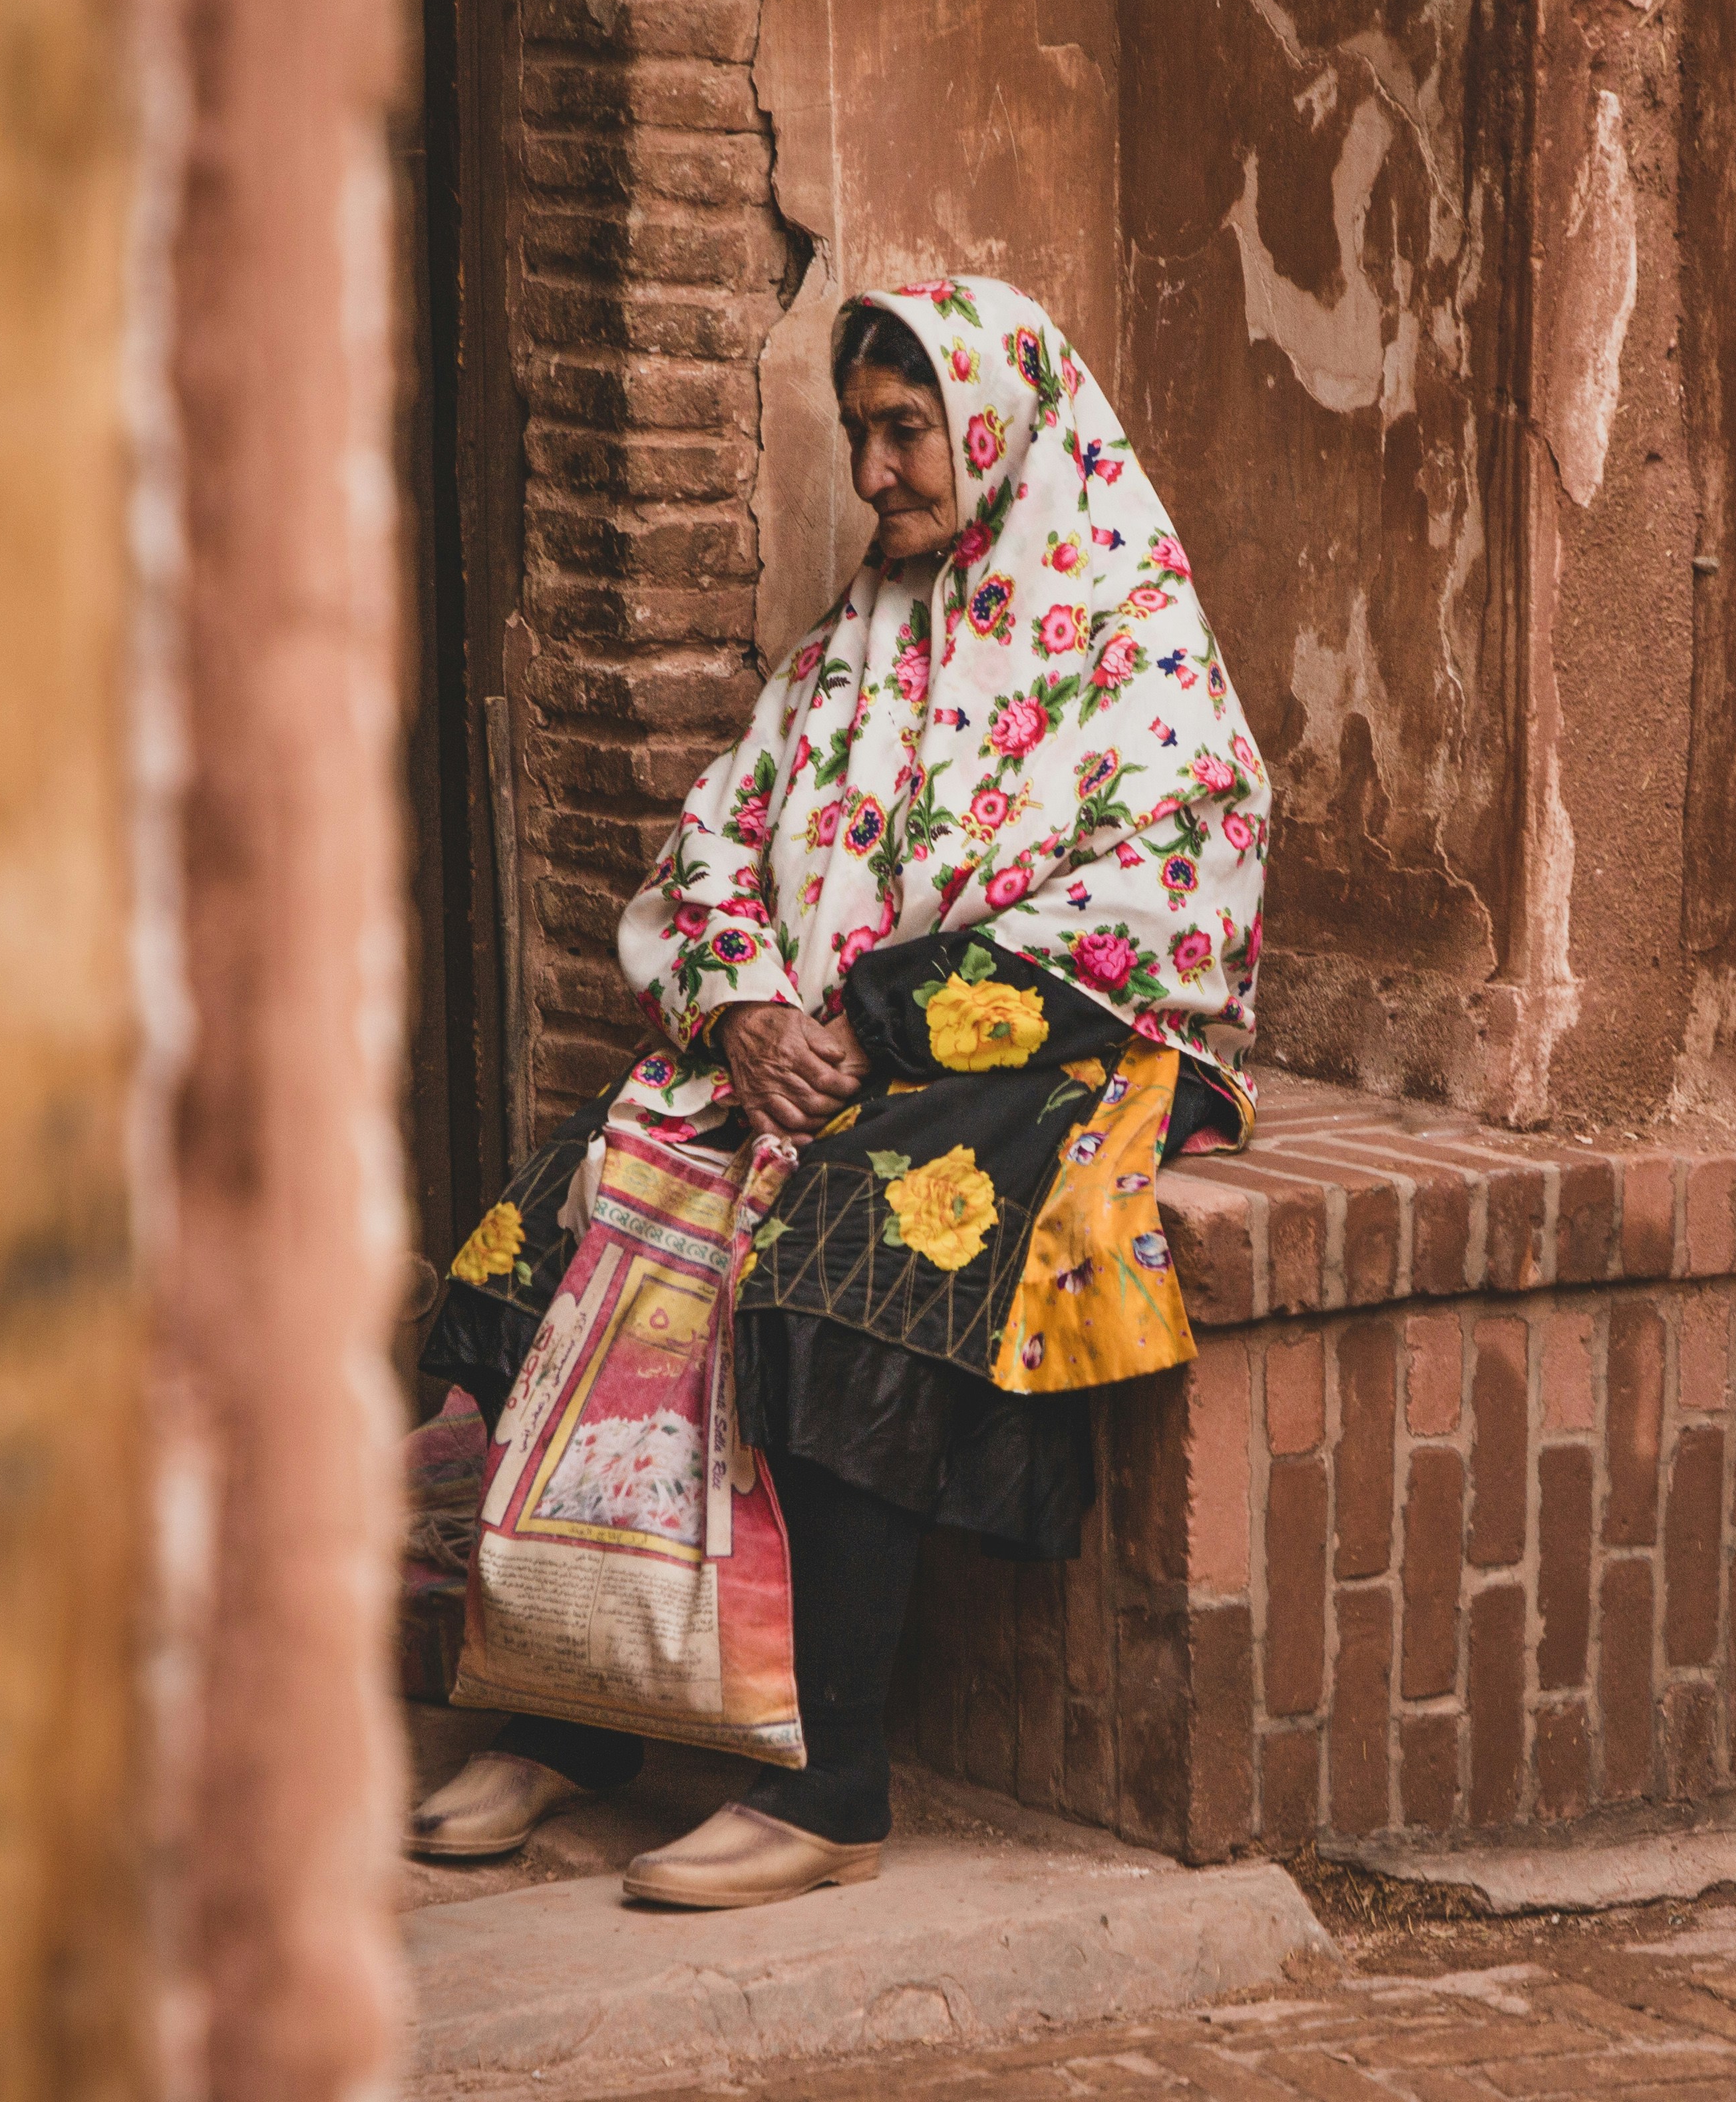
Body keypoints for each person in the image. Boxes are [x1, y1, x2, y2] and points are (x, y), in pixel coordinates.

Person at [413, 275, 1271, 1908]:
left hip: (1044, 1044)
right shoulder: (848, 650)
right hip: (800, 1046)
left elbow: (1176, 878)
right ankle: (572, 1711)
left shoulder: (1129, 642)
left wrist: (883, 1025)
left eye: (906, 433)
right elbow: (720, 832)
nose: (874, 472)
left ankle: (829, 1787)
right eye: (859, 435)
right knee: (558, 1214)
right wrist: (737, 1007)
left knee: (844, 1262)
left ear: (998, 432)